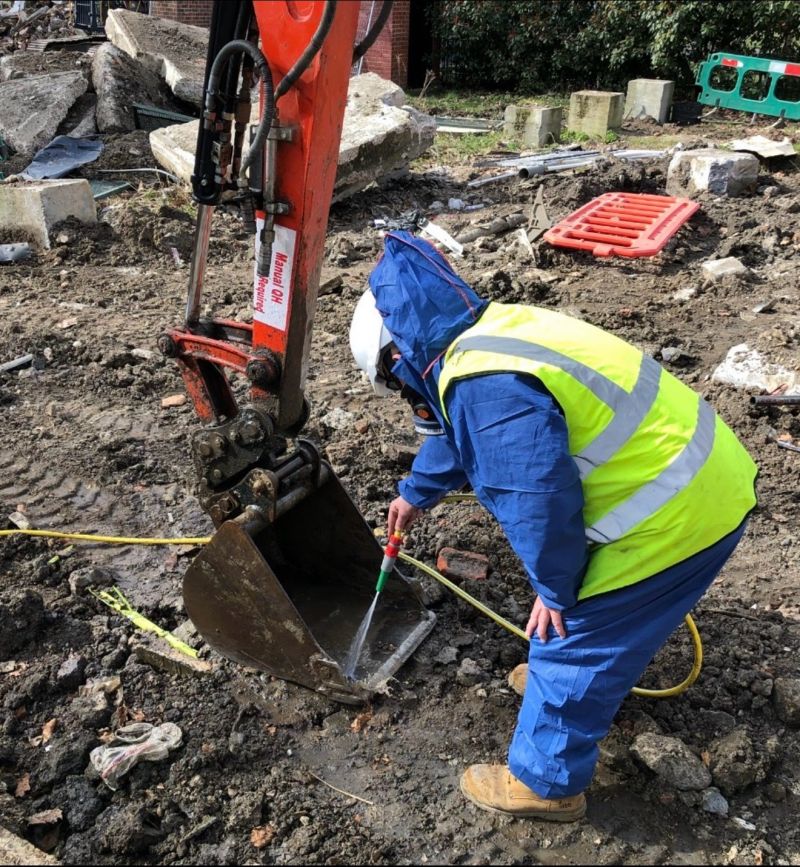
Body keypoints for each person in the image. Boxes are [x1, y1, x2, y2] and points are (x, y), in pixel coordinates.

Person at [349, 231, 758, 821]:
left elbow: (538, 502)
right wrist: (415, 492)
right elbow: (460, 430)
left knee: (570, 635)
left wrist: (556, 591)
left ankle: (545, 784)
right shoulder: (492, 334)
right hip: (709, 476)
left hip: (674, 515)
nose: (406, 396)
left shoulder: (482, 387)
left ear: (400, 357)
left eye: (396, 385)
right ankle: (579, 686)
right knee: (579, 620)